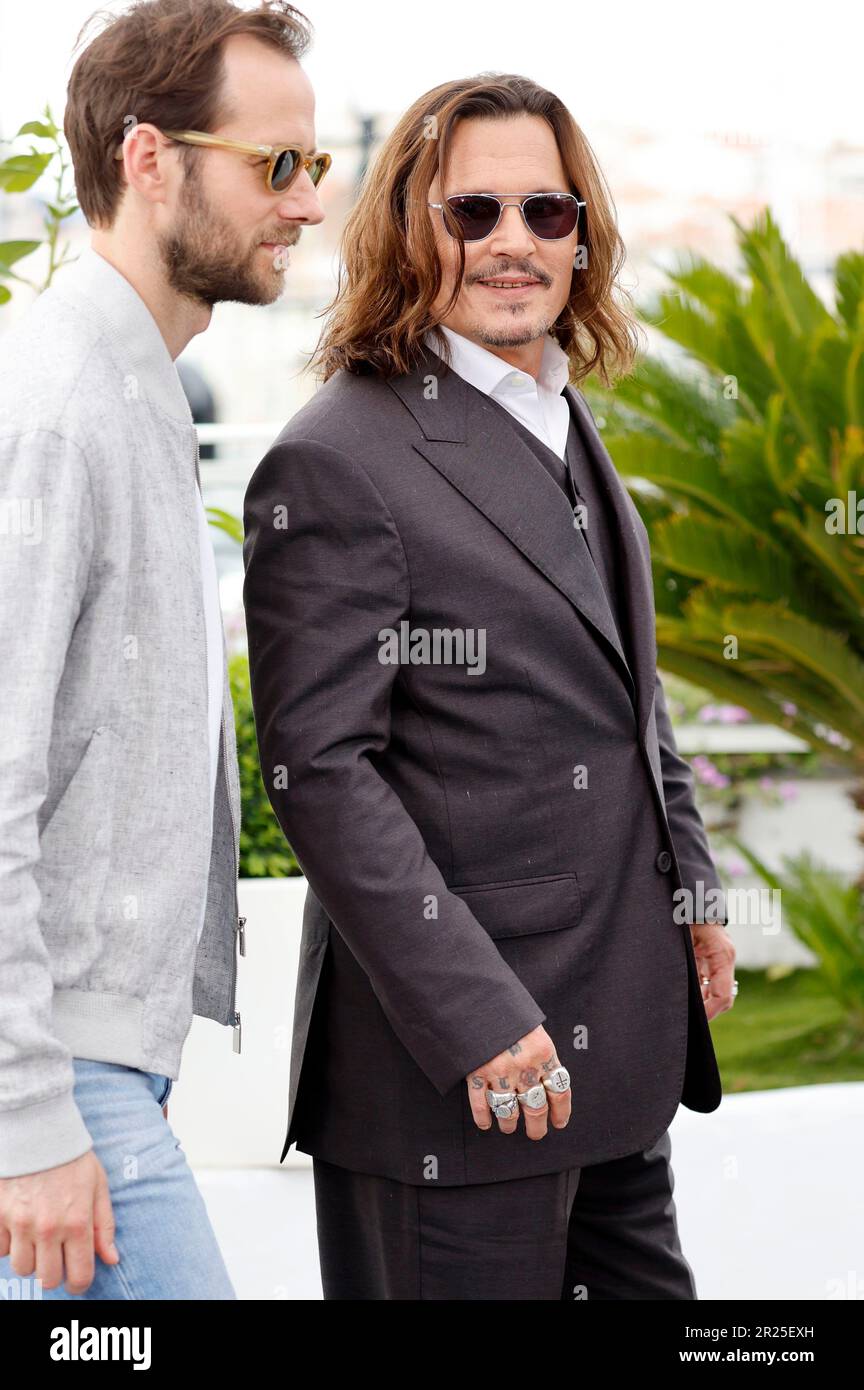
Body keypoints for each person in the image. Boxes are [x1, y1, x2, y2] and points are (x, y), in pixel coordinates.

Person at [243, 72, 737, 1301]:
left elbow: (628, 696)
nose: (513, 242)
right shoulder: (336, 459)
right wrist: (476, 1019)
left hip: (614, 1057)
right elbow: (323, 776)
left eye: (546, 212)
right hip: (457, 1080)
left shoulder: (563, 419)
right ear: (413, 228)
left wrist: (696, 884)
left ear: (581, 239)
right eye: (474, 214)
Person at [0, 0, 327, 1300]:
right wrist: (28, 1120)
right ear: (149, 160)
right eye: (277, 164)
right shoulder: (60, 413)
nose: (307, 202)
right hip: (65, 1091)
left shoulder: (134, 392)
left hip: (106, 1076)